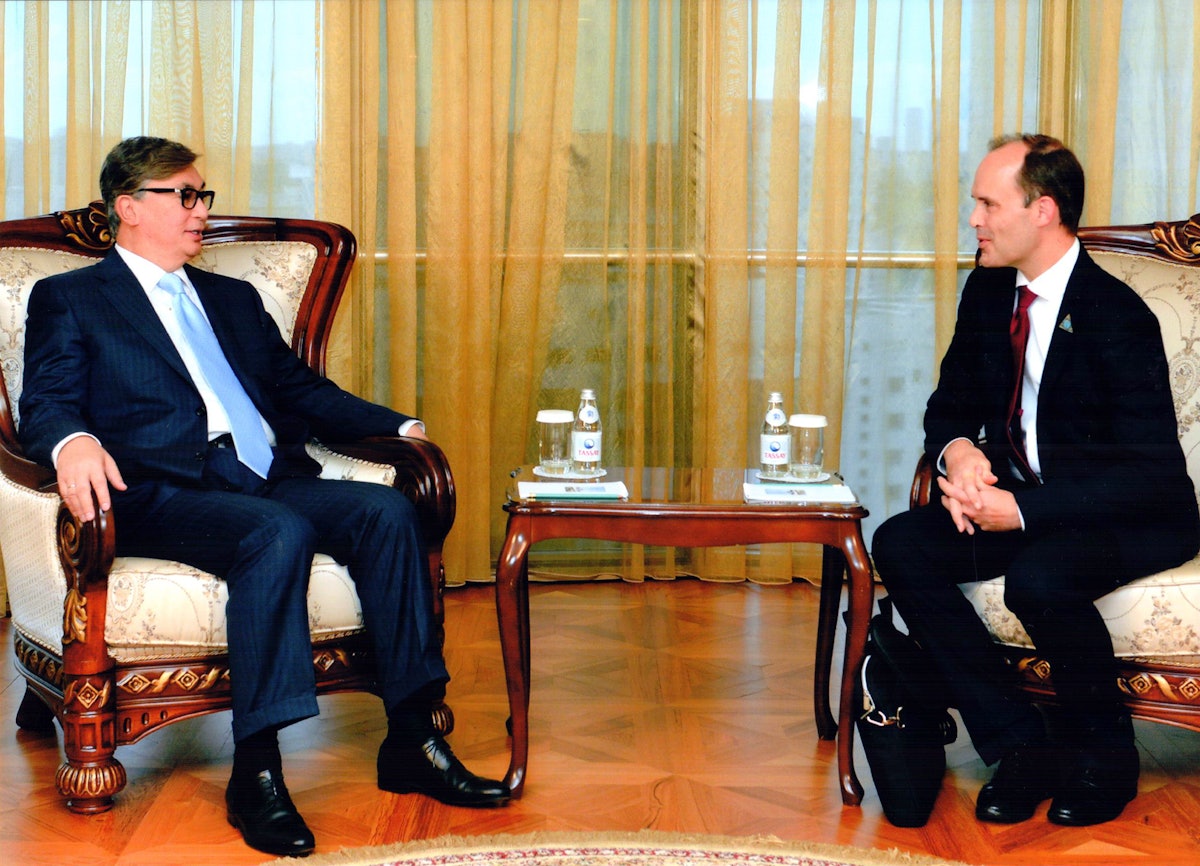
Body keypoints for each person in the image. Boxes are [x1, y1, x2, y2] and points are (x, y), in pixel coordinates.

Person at [19, 136, 510, 858]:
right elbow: (46, 402)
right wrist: (73, 443)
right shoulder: (71, 297)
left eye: (202, 195)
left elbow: (298, 391)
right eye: (182, 196)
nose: (199, 212)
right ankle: (257, 771)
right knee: (273, 532)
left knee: (385, 511)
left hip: (263, 479)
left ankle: (412, 739)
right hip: (160, 491)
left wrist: (395, 426)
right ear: (128, 208)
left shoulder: (232, 298)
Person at [871, 134, 1200, 827]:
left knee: (1041, 578)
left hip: (1132, 514)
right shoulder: (990, 289)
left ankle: (1106, 760)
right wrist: (958, 455)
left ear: (1043, 210)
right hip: (1031, 502)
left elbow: (1154, 477)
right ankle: (1021, 744)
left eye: (988, 204)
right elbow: (948, 404)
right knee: (901, 543)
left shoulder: (1117, 317)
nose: (974, 220)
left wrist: (1018, 511)